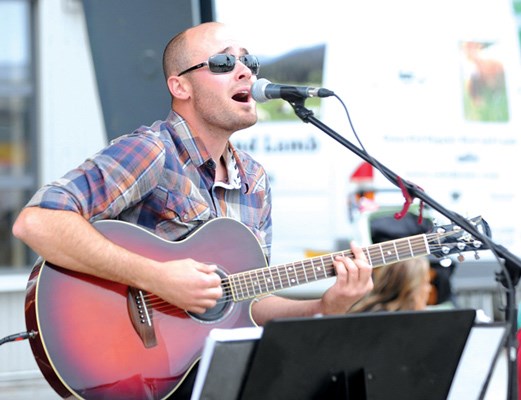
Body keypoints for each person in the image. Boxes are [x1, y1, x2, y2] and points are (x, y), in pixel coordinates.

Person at [12, 22, 373, 398]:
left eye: (248, 60)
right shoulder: (152, 151)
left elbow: (248, 302)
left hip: (202, 378)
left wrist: (326, 306)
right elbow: (37, 223)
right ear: (180, 86)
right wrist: (157, 277)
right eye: (222, 62)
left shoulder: (254, 179)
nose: (245, 70)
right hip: (135, 364)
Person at [349, 257, 432, 312]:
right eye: (426, 283)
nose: (429, 288)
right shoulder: (401, 323)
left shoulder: (364, 309)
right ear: (411, 287)